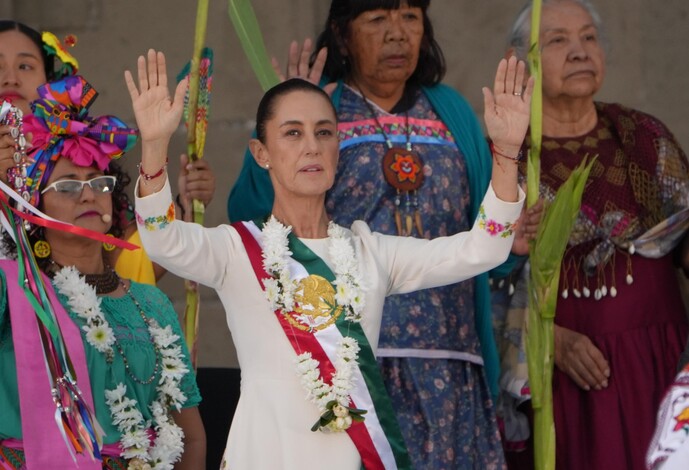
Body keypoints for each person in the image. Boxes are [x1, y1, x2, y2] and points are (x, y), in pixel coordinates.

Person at [127, 47, 531, 469]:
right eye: (292, 133)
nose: (312, 147)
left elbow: (484, 248)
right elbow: (159, 240)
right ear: (261, 153)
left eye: (324, 133)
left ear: (339, 147)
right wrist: (154, 145)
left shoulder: (370, 253)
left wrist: (505, 152)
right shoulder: (236, 249)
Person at [226, 1, 534, 466]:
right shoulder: (320, 106)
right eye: (377, 19)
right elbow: (253, 221)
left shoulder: (450, 110)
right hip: (348, 365)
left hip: (450, 363)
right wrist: (280, 127)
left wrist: (514, 236)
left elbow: (485, 240)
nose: (398, 33)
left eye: (410, 17)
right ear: (342, 34)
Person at [502, 1, 689, 468]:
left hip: (658, 359)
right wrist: (548, 340)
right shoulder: (508, 155)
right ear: (522, 62)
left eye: (588, 37)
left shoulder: (643, 135)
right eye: (558, 41)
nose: (580, 51)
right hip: (568, 374)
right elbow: (483, 276)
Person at [0, 75, 205, 468]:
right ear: (32, 210)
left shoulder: (151, 303)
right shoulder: (14, 290)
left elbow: (191, 436)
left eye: (99, 181)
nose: (89, 194)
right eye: (67, 186)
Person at [0, 20, 216, 284]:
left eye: (25, 66)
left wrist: (184, 204)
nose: (10, 77)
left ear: (50, 79)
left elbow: (134, 267)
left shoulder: (78, 152)